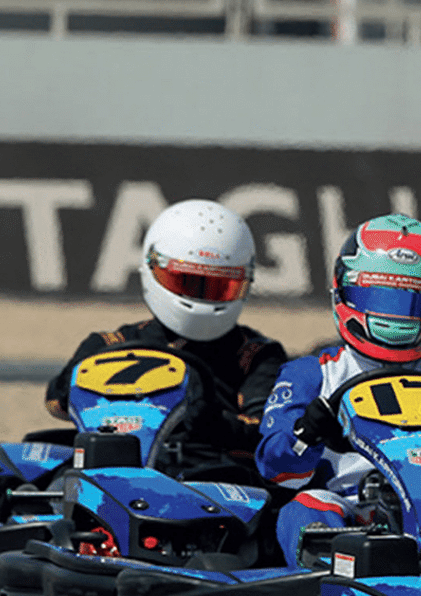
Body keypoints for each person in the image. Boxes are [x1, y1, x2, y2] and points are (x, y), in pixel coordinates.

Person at [256, 213, 421, 568]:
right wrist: (309, 433)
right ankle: (328, 579)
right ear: (345, 291)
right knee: (306, 509)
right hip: (348, 506)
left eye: (414, 303)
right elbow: (273, 469)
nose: (397, 318)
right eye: (382, 299)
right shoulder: (311, 374)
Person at [45, 199, 288, 478]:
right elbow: (57, 403)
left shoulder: (255, 356)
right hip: (111, 469)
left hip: (207, 478)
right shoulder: (109, 345)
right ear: (153, 268)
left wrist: (210, 420)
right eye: (186, 282)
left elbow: (268, 431)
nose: (199, 297)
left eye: (217, 287)